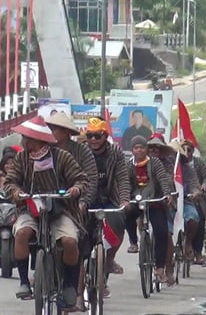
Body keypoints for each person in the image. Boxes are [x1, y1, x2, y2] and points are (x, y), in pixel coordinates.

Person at [4, 116, 88, 308]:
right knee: (22, 233)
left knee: (69, 241)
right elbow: (10, 181)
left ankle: (68, 285)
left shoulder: (62, 157)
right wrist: (16, 192)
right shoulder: (21, 158)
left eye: (27, 138)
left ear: (40, 140)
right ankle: (24, 282)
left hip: (61, 210)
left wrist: (75, 189)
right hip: (29, 208)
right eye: (24, 138)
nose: (24, 142)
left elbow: (81, 179)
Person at [45, 112, 97, 311]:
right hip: (50, 204)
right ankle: (39, 271)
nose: (51, 133)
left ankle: (74, 290)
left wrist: (83, 200)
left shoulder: (82, 152)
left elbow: (90, 180)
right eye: (49, 129)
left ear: (66, 132)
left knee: (78, 243)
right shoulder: (44, 150)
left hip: (76, 206)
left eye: (55, 129)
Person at [85, 116, 131, 297]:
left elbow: (123, 179)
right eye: (90, 136)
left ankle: (108, 260)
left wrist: (125, 200)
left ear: (105, 136)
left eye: (98, 136)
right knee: (79, 237)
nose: (94, 140)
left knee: (119, 224)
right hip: (86, 200)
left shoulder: (116, 154)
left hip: (109, 198)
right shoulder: (81, 152)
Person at [125, 136, 174, 284]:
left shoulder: (155, 163)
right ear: (132, 150)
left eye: (142, 147)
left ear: (145, 149)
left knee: (161, 231)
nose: (139, 150)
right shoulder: (128, 165)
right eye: (136, 148)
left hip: (154, 201)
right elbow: (125, 183)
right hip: (136, 200)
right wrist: (125, 199)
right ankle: (133, 242)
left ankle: (160, 268)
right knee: (126, 214)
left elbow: (162, 179)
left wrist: (166, 194)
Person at [165, 140, 202, 284]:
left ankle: (188, 243)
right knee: (165, 232)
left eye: (175, 154)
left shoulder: (187, 168)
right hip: (167, 203)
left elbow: (194, 184)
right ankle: (166, 265)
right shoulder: (161, 166)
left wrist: (195, 192)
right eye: (170, 154)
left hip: (184, 201)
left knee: (193, 218)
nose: (172, 157)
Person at [183, 139, 206, 265]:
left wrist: (202, 186)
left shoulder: (198, 163)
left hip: (196, 198)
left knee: (199, 221)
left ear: (192, 151)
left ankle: (198, 253)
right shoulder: (174, 163)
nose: (186, 153)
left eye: (188, 150)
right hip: (178, 199)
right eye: (183, 150)